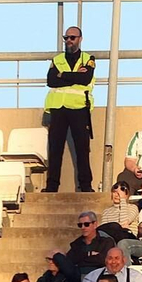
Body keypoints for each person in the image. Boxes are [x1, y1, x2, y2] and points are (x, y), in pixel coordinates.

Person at [44, 25, 97, 193]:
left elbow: (86, 78)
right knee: (55, 149)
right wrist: (74, 76)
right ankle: (52, 186)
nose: (68, 41)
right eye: (66, 37)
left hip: (79, 107)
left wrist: (62, 74)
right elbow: (51, 80)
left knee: (82, 149)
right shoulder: (57, 59)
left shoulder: (88, 58)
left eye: (72, 37)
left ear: (80, 39)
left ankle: (86, 186)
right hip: (58, 109)